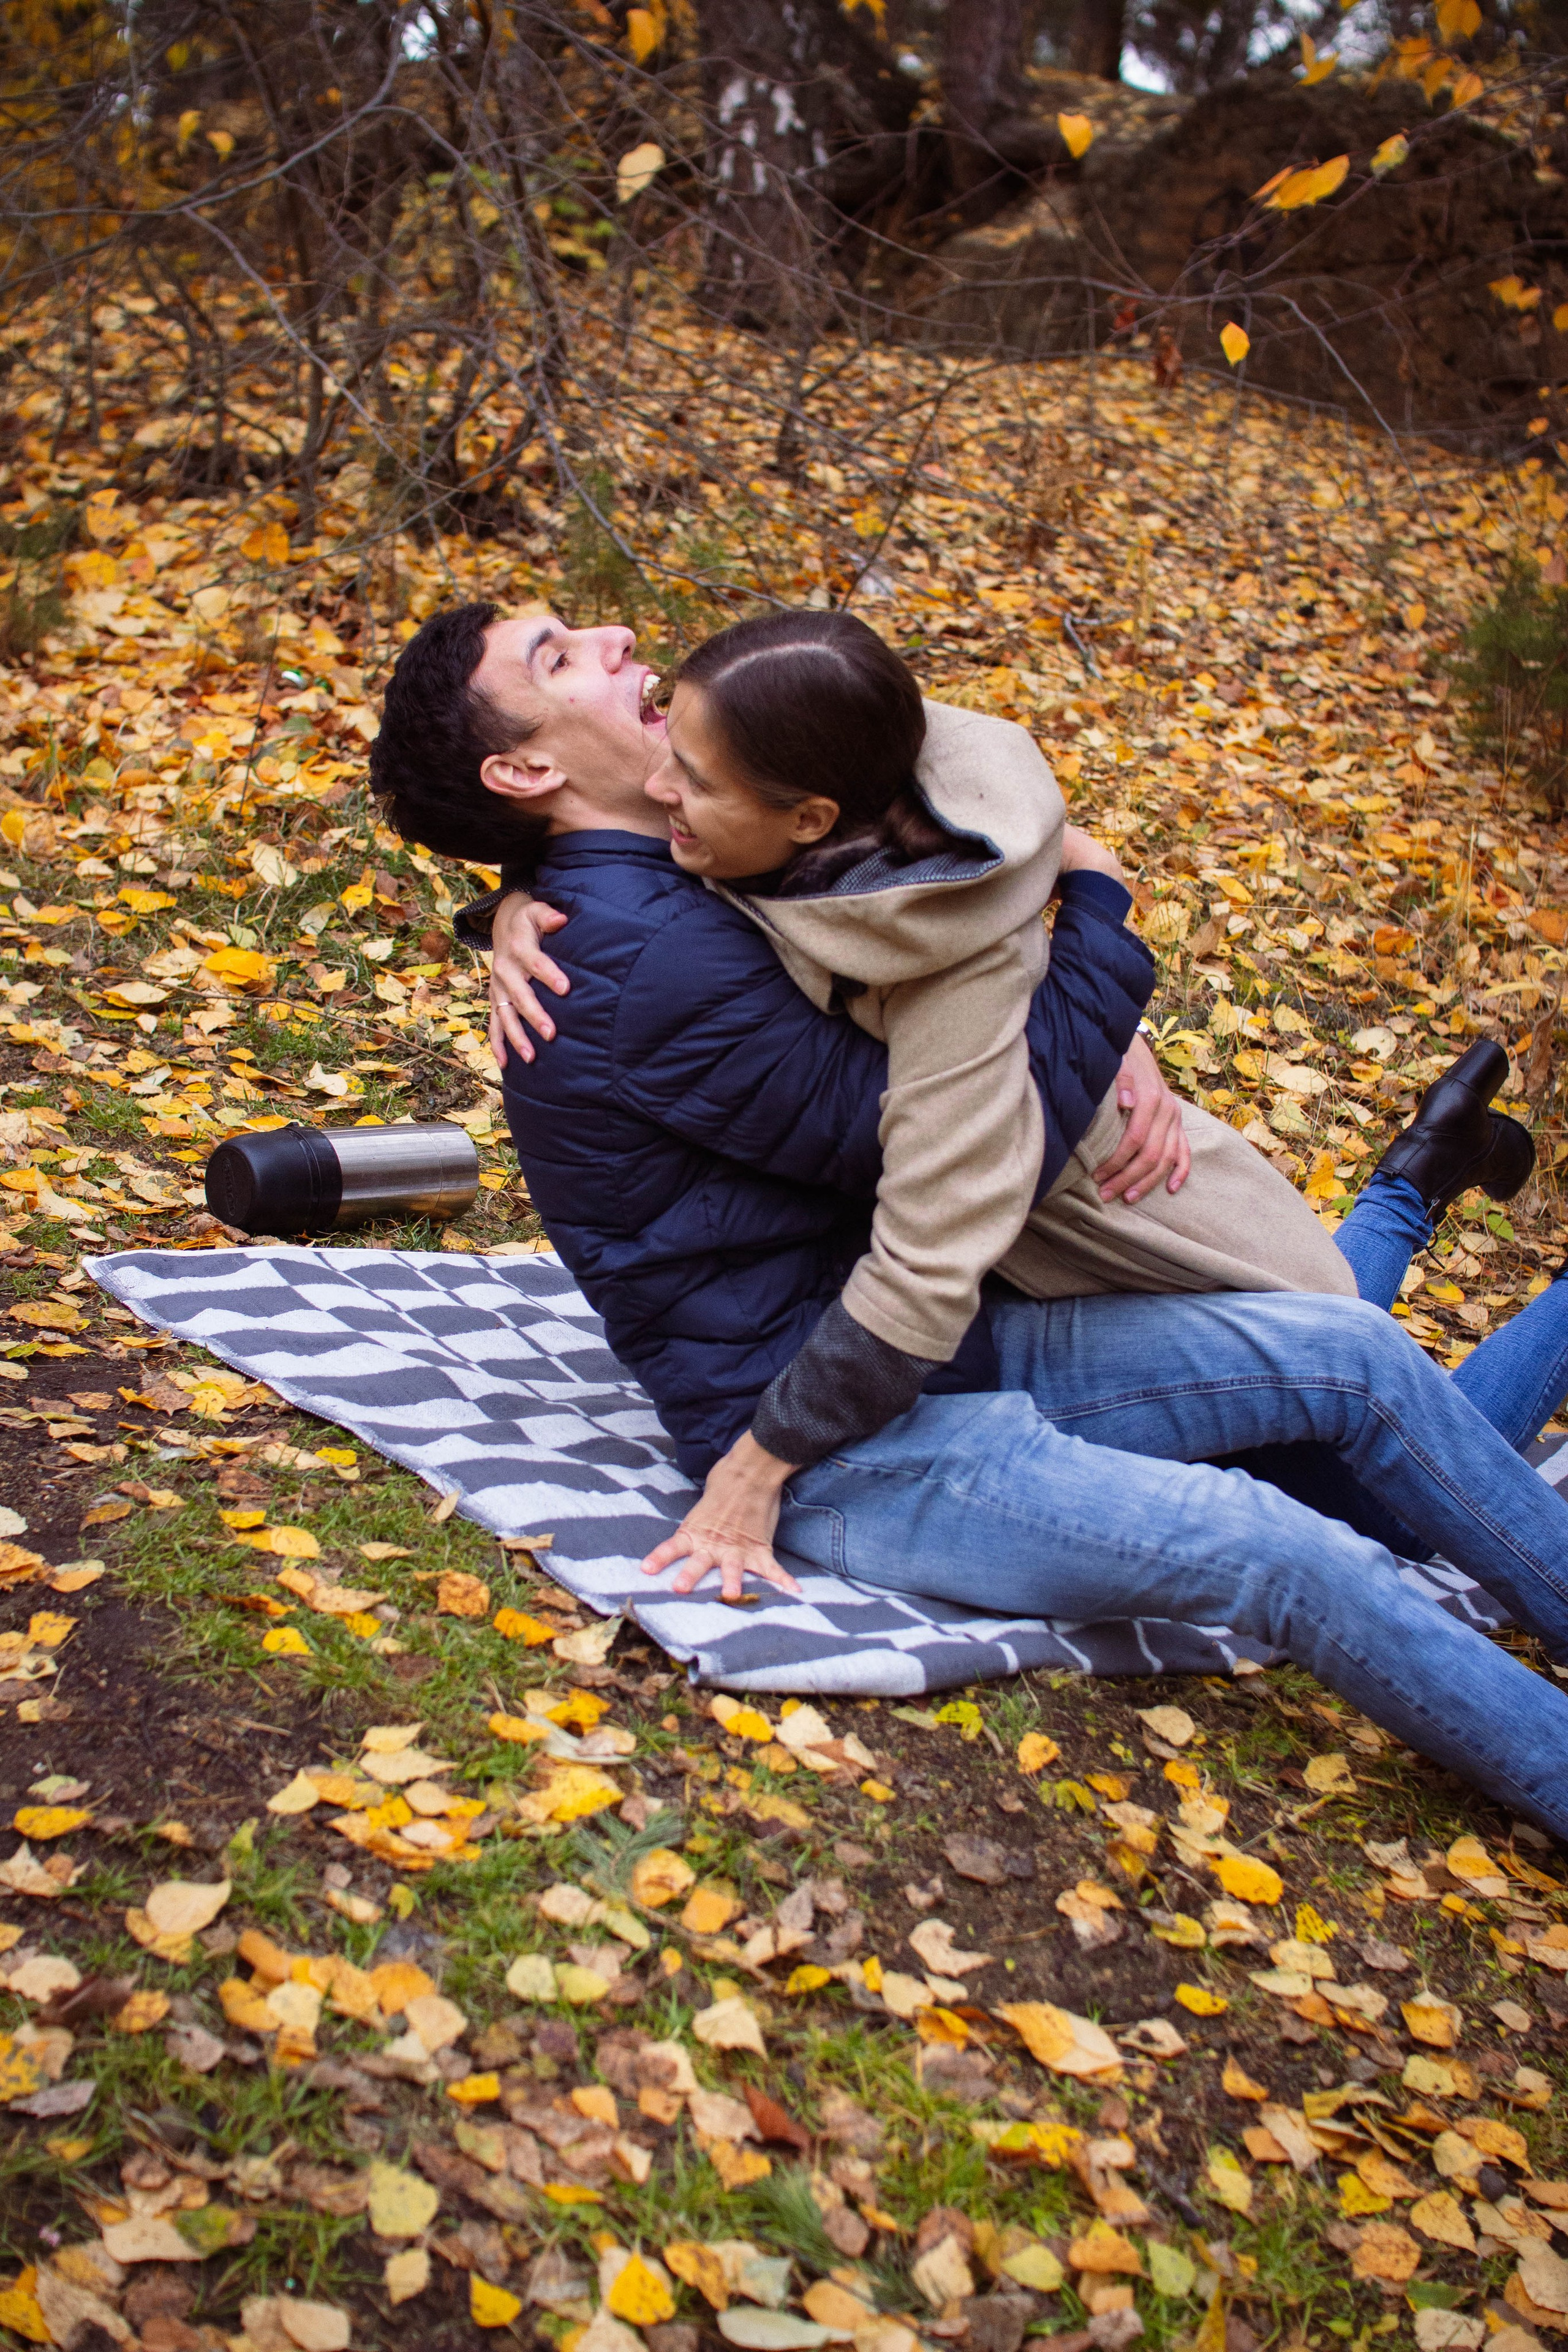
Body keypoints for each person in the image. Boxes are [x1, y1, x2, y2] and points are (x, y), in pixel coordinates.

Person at [370, 601, 1568, 1841]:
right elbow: (970, 1150)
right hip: (836, 1440)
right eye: (557, 657)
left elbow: (892, 764)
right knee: (1273, 1541)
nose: (616, 638)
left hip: (950, 1340)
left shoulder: (672, 858)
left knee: (1356, 1357)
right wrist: (1097, 926)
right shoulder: (638, 946)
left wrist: (506, 889)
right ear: (523, 769)